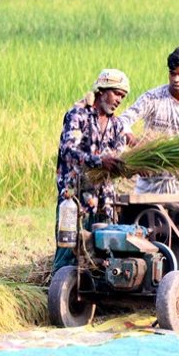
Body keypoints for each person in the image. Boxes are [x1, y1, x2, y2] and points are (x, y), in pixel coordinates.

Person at [52, 69, 130, 273]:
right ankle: (59, 294)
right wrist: (99, 161)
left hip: (104, 201)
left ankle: (100, 302)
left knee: (103, 255)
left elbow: (120, 156)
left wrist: (132, 167)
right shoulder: (78, 115)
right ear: (102, 90)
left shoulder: (117, 125)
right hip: (76, 198)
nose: (119, 100)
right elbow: (68, 150)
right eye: (116, 93)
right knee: (68, 251)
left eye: (123, 96)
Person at [119, 46, 179, 194]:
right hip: (149, 182)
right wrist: (135, 142)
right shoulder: (153, 98)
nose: (176, 79)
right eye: (172, 74)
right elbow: (122, 121)